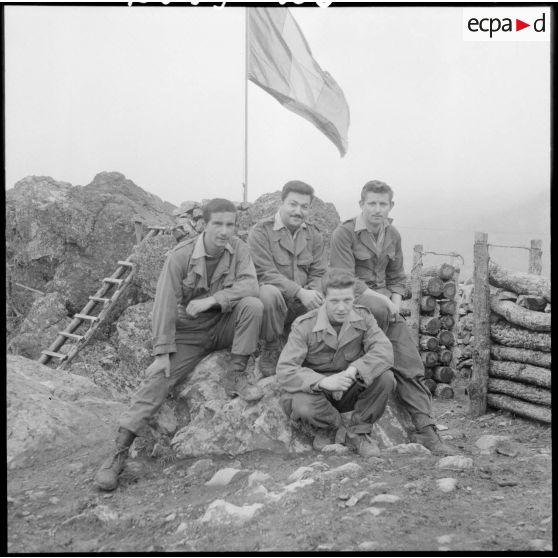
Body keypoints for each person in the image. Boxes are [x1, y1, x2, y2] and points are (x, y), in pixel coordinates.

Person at [95, 198, 264, 491]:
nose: (225, 231)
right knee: (158, 380)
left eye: (230, 225)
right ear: (204, 225)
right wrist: (162, 353)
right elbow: (164, 305)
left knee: (253, 305)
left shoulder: (240, 249)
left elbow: (251, 286)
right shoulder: (180, 256)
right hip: (189, 334)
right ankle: (117, 453)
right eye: (218, 224)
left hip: (223, 324)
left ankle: (237, 372)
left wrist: (213, 300)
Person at [329, 180, 455, 454]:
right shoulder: (344, 233)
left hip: (386, 309)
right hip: (357, 305)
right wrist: (385, 301)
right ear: (361, 204)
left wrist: (395, 301)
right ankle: (358, 430)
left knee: (410, 364)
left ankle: (426, 429)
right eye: (371, 203)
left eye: (382, 204)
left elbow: (397, 276)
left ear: (390, 206)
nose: (377, 209)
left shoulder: (393, 234)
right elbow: (345, 280)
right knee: (379, 361)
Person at [276, 268, 395, 457]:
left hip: (348, 387)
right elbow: (285, 370)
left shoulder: (364, 317)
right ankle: (329, 426)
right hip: (318, 393)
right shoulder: (305, 325)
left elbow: (384, 350)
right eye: (334, 301)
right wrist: (322, 382)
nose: (341, 308)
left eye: (347, 300)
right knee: (300, 404)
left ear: (354, 298)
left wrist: (353, 370)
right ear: (323, 298)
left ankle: (358, 432)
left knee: (386, 378)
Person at [248, 181, 328, 377]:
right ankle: (271, 347)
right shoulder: (260, 232)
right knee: (268, 293)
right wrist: (300, 292)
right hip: (275, 307)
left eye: (304, 206)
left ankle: (308, 347)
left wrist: (313, 293)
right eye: (293, 204)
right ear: (281, 202)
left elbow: (318, 272)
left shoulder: (313, 234)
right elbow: (265, 272)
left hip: (301, 305)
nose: (298, 211)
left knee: (327, 299)